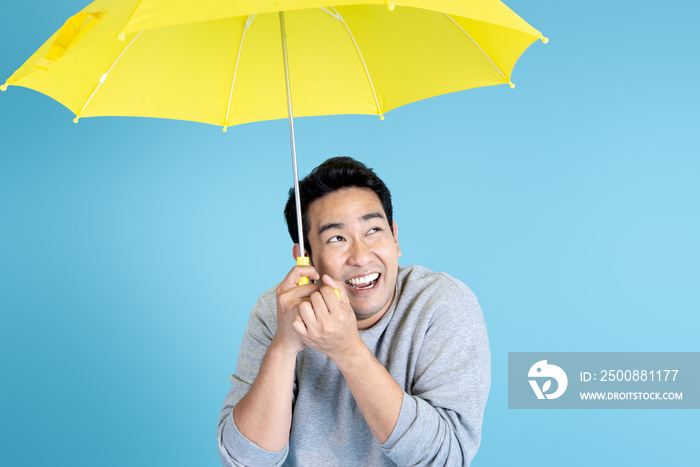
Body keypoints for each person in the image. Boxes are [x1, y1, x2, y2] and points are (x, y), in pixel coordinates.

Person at [217, 157, 490, 466]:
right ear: (304, 258)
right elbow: (245, 460)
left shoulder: (441, 305)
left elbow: (444, 459)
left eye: (373, 230)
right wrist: (283, 346)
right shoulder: (278, 310)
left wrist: (347, 350)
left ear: (395, 237)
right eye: (337, 238)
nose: (361, 256)